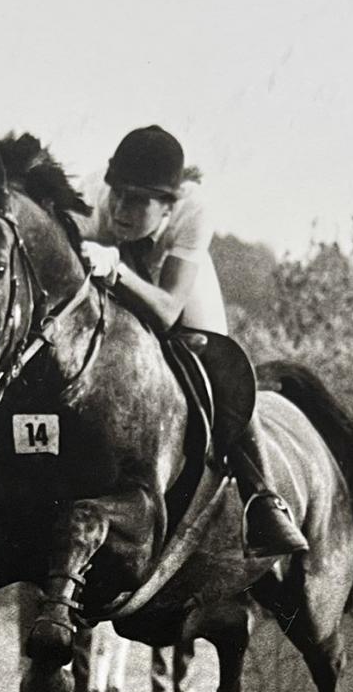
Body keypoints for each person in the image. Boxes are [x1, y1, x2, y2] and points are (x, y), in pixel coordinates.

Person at [78, 125, 307, 558]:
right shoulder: (89, 203)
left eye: (139, 199)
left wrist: (118, 271)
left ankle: (263, 497)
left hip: (165, 280)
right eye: (119, 194)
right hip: (104, 277)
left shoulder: (192, 212)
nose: (122, 209)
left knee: (214, 355)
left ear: (169, 204)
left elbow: (166, 311)